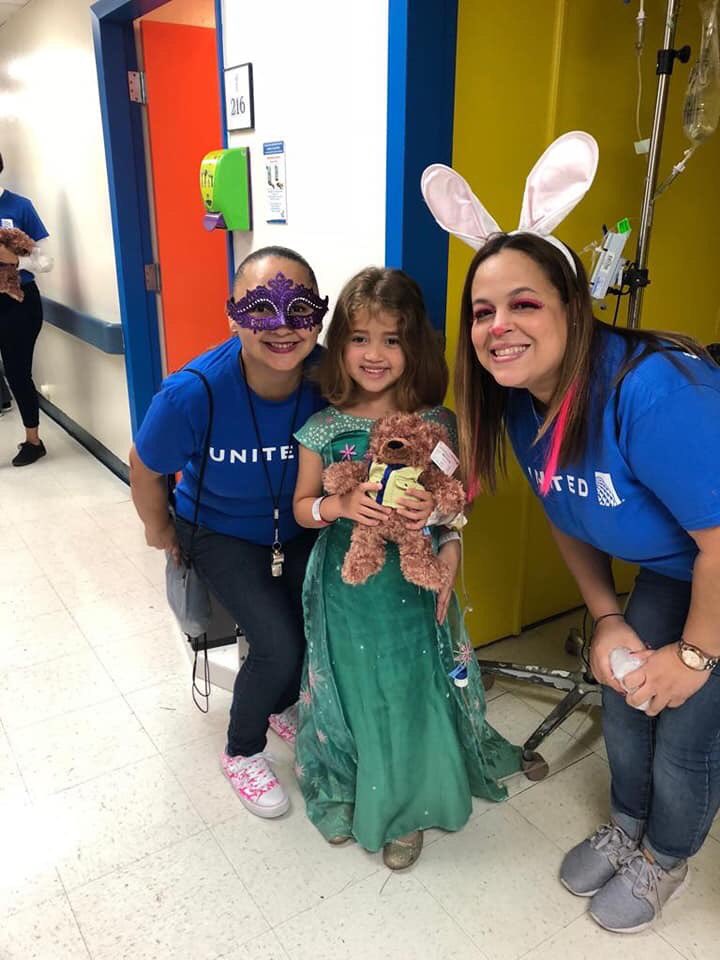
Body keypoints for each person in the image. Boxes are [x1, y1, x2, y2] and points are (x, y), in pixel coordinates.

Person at [453, 231, 720, 932]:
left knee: (689, 726)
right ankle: (629, 827)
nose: (498, 326)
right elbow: (565, 511)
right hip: (680, 565)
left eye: (522, 303)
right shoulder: (520, 401)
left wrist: (694, 655)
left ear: (574, 306)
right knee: (627, 696)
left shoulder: (652, 392)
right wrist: (607, 618)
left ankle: (667, 856)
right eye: (482, 312)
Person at [292, 266, 522, 870]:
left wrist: (447, 542)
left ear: (413, 345)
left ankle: (416, 801)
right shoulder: (323, 428)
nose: (374, 354)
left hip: (417, 585)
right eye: (360, 338)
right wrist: (338, 504)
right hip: (349, 583)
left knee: (416, 685)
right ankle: (367, 789)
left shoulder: (437, 424)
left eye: (391, 340)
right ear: (339, 343)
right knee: (363, 688)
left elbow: (454, 506)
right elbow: (301, 508)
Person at [130, 246, 330, 819]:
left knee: (310, 624)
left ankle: (278, 703)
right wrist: (159, 528)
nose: (283, 328)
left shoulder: (326, 378)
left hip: (296, 522)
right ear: (233, 314)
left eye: (300, 310)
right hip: (217, 529)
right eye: (261, 310)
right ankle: (242, 750)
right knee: (278, 641)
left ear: (319, 315)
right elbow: (145, 466)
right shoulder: (193, 392)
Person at [0, 153, 53, 465]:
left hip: (18, 302)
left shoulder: (19, 206)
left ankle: (33, 441)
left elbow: (47, 260)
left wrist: (14, 260)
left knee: (18, 372)